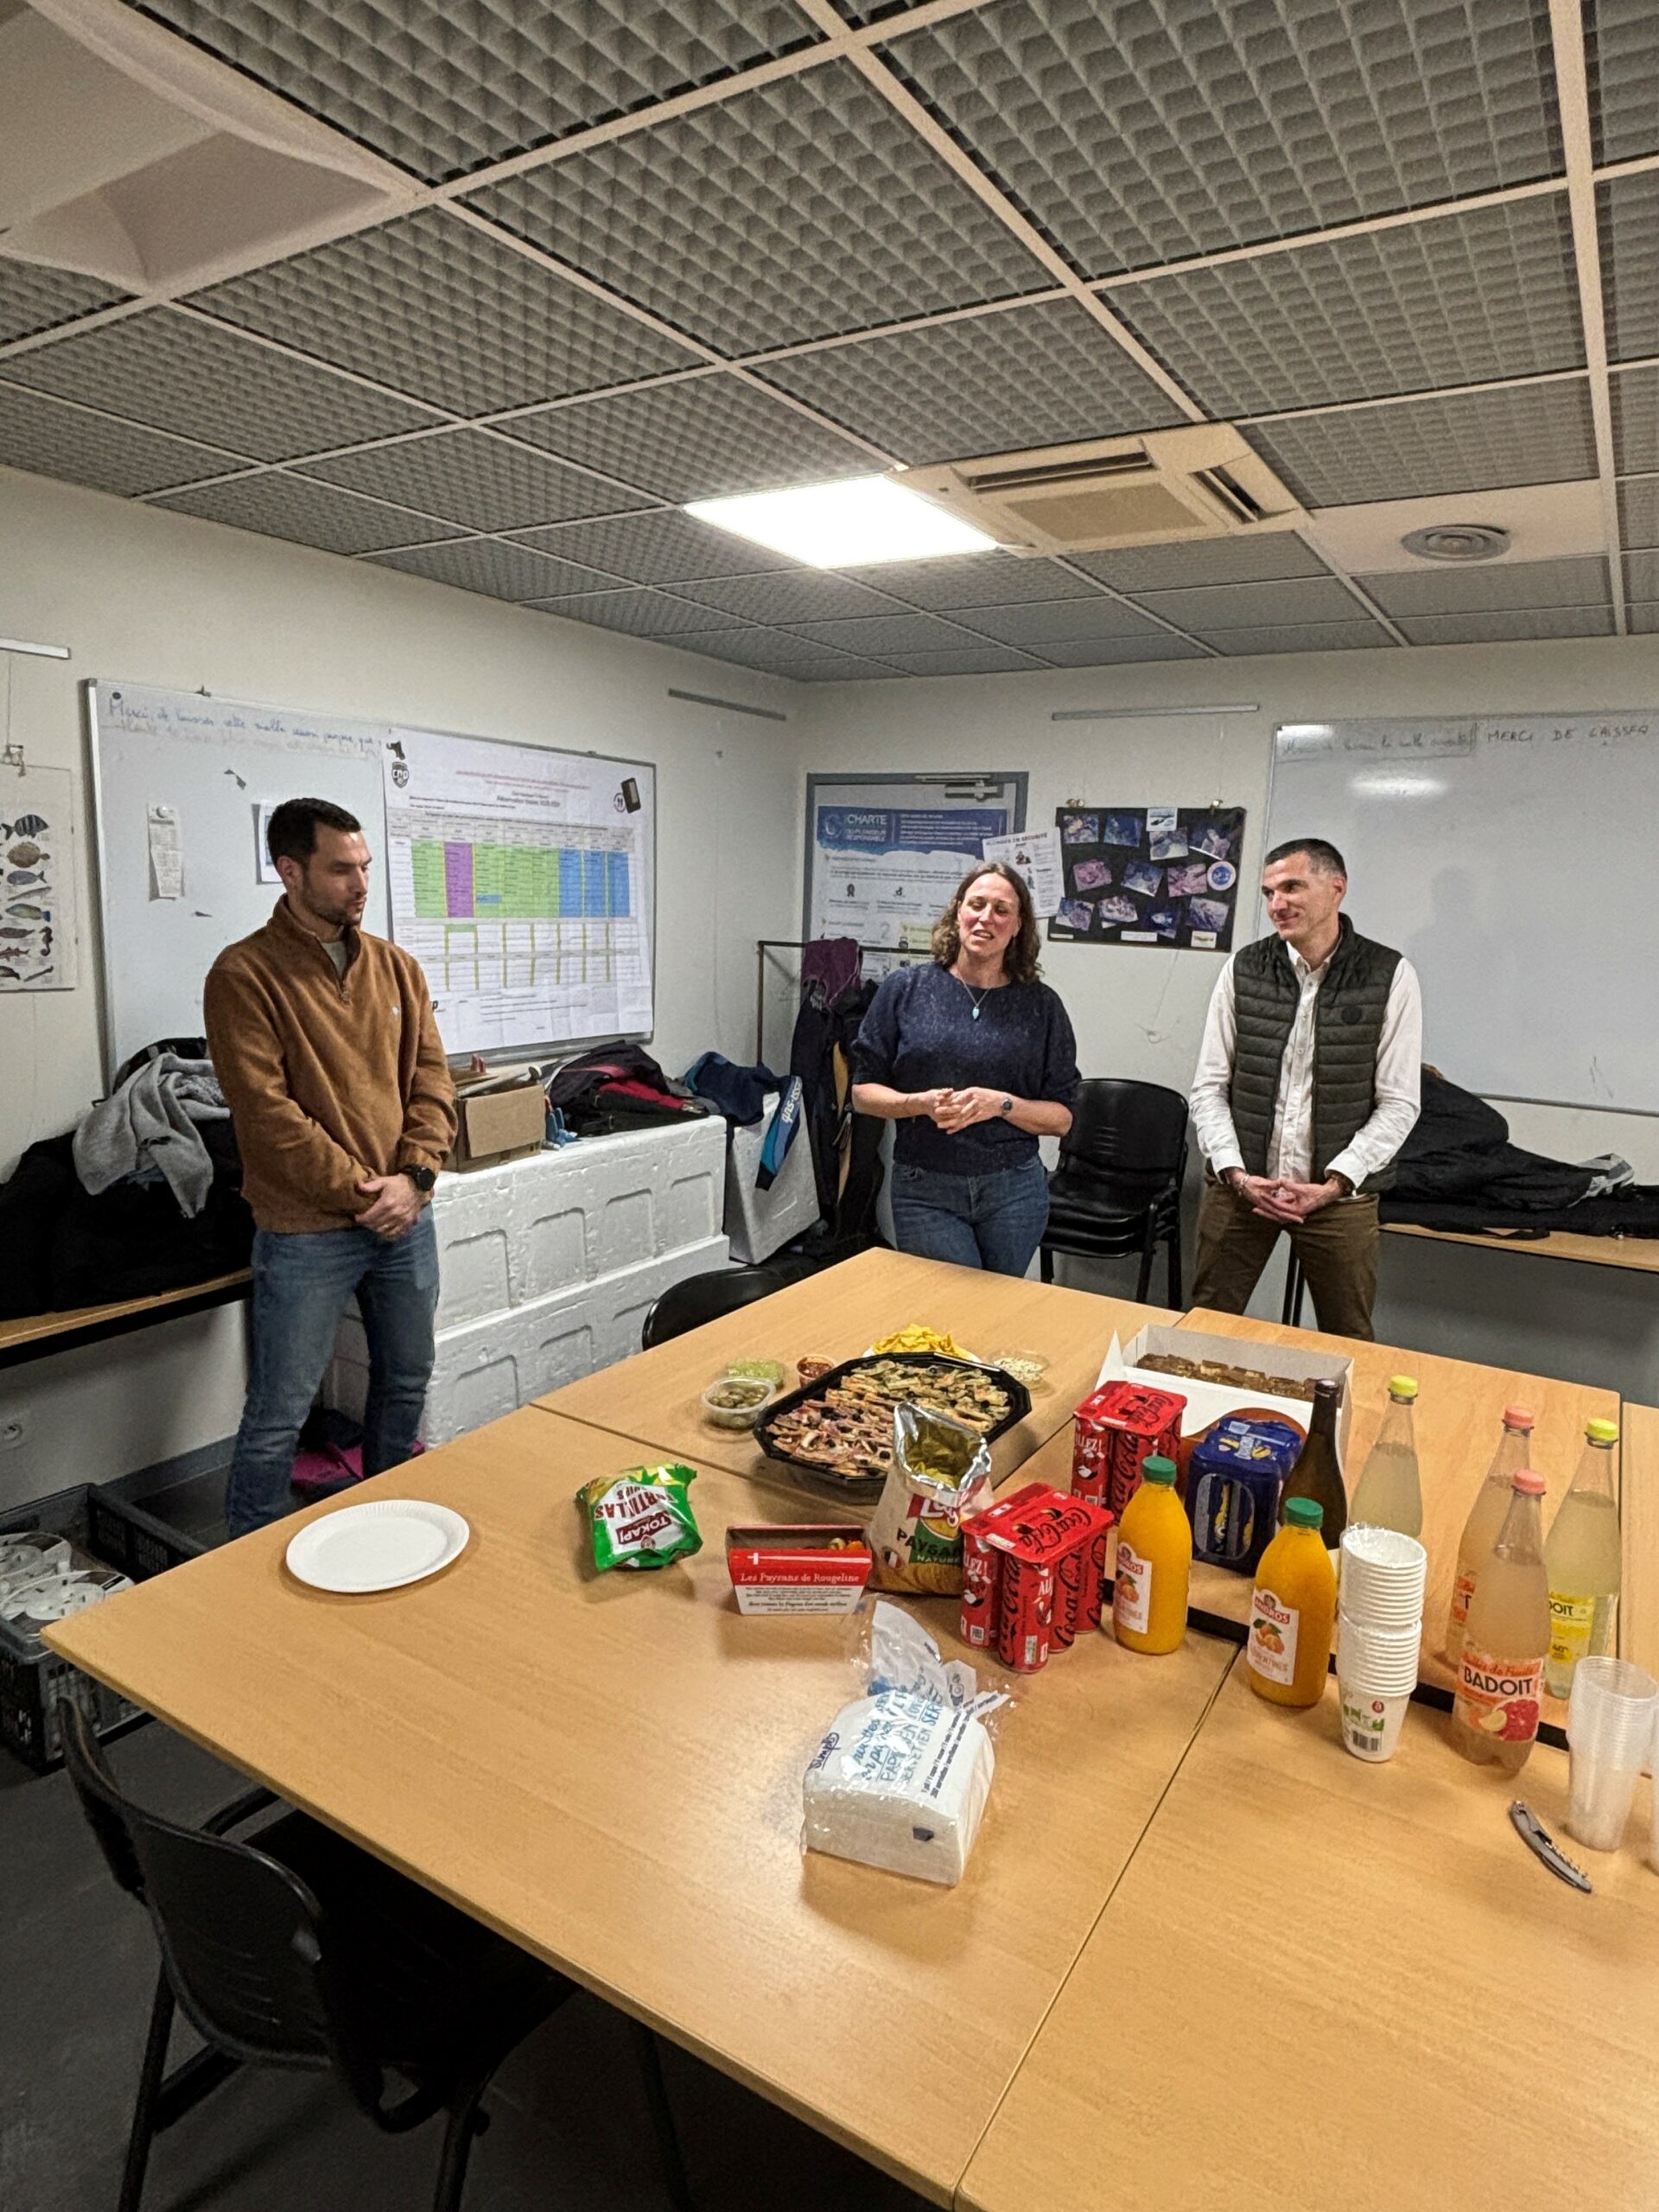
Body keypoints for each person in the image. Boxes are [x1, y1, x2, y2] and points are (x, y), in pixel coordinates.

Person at [204, 798, 456, 1536]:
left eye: (365, 867)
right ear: (291, 871)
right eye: (342, 869)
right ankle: (245, 1560)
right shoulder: (244, 974)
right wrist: (367, 1193)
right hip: (307, 1230)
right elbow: (267, 1115)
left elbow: (433, 1082)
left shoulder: (396, 968)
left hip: (405, 1216)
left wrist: (415, 1179)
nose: (361, 884)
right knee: (280, 1411)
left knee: (406, 1380)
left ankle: (385, 1526)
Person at [1188, 837, 1421, 1341]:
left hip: (1339, 1197)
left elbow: (1399, 1102)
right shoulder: (1244, 968)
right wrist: (1236, 1174)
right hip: (1242, 1188)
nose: (1277, 904)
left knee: (1348, 1337)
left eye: (1292, 887)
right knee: (1206, 1325)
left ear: (1337, 889)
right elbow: (1208, 1087)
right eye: (1269, 893)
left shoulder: (1389, 974)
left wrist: (1337, 1182)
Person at [850, 861, 1078, 1275]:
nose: (986, 917)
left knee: (998, 1306)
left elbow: (1062, 1119)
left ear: (1018, 926)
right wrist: (919, 1104)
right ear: (958, 911)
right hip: (925, 1188)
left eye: (1001, 910)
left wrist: (1001, 1104)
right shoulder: (906, 989)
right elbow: (863, 1093)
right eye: (977, 904)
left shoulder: (1042, 1006)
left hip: (1014, 1192)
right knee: (950, 1304)